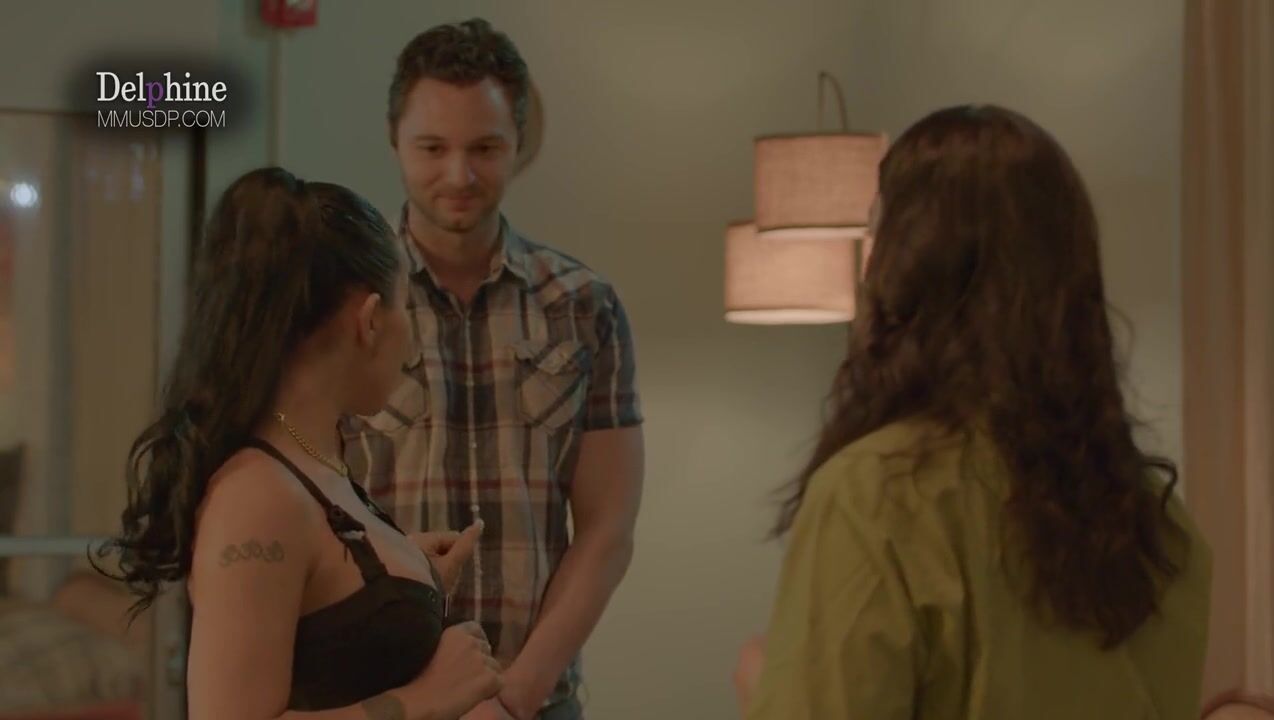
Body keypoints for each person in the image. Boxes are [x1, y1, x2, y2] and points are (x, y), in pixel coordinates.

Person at [735, 105, 1212, 720]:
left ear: (903, 270)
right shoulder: (1159, 524)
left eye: (876, 235)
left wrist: (763, 685)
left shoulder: (874, 495)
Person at [96, 167, 501, 720]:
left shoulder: (315, 463)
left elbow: (327, 628)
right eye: (405, 308)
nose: (412, 340)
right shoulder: (258, 498)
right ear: (369, 321)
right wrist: (421, 700)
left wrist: (405, 575)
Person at [341, 18, 645, 720]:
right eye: (432, 148)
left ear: (518, 145)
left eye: (484, 148)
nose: (459, 175)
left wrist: (514, 696)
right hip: (378, 698)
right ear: (394, 140)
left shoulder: (584, 306)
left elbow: (607, 529)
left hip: (534, 701)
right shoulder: (343, 304)